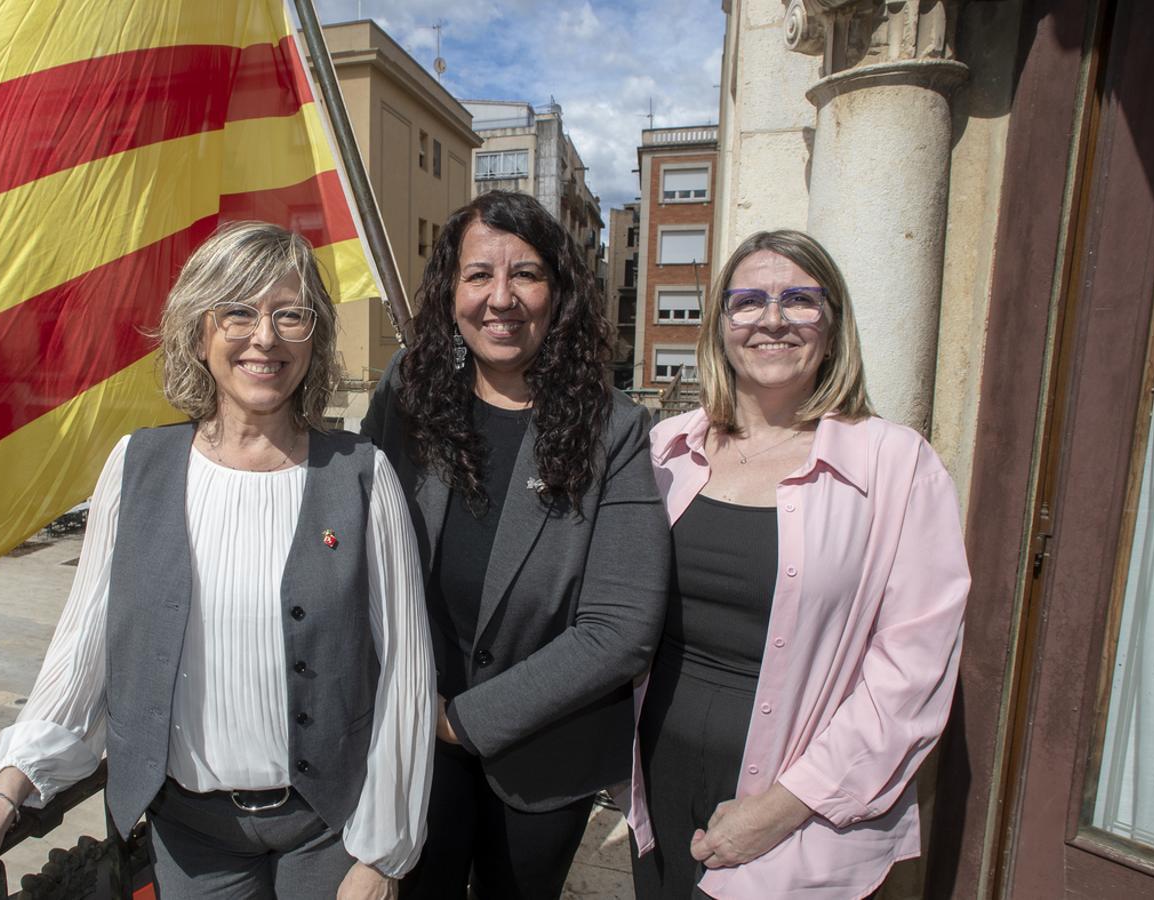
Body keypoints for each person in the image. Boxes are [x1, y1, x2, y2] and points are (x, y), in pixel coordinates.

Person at [0, 222, 435, 900]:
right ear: (199, 332)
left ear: (314, 338)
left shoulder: (363, 476)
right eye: (238, 312)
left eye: (290, 314)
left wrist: (381, 857)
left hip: (330, 832)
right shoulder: (136, 467)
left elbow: (405, 675)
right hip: (189, 838)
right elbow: (80, 658)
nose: (265, 337)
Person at [624, 229, 971, 898]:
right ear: (721, 327)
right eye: (748, 300)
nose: (773, 319)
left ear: (832, 325)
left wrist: (783, 808)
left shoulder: (896, 466)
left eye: (800, 300)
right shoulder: (667, 447)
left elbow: (912, 672)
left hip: (803, 804)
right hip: (658, 772)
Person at [362, 190, 670, 899]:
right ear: (450, 291)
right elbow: (351, 541)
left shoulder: (614, 430)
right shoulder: (407, 394)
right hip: (407, 748)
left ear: (558, 292)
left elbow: (620, 630)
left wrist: (464, 721)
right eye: (478, 275)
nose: (500, 298)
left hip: (543, 759)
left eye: (525, 274)